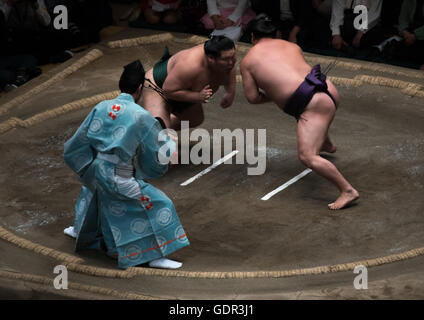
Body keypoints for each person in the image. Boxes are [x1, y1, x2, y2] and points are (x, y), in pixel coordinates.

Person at [63, 60, 189, 269]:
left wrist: (87, 165)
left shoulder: (101, 106)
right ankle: (153, 255)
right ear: (140, 88)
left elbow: (78, 141)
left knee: (92, 192)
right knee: (158, 204)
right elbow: (156, 146)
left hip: (97, 168)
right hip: (118, 173)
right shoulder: (140, 116)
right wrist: (170, 145)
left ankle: (78, 230)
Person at [240, 17, 359, 210]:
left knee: (307, 156)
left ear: (252, 36)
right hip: (328, 89)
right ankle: (326, 143)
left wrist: (276, 95)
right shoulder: (292, 46)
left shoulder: (247, 61)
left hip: (312, 105)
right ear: (276, 34)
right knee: (307, 114)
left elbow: (252, 98)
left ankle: (347, 190)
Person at [142, 35, 236, 130]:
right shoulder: (189, 65)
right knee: (159, 134)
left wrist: (230, 92)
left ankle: (161, 129)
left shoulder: (228, 62)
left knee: (195, 119)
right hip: (158, 87)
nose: (232, 62)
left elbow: (231, 69)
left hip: (184, 90)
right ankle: (152, 130)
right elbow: (168, 91)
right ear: (211, 58)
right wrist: (198, 96)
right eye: (226, 59)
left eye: (233, 57)